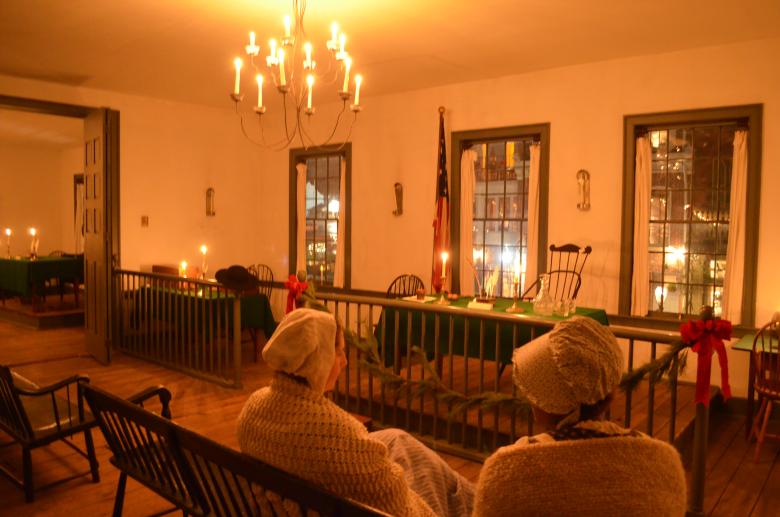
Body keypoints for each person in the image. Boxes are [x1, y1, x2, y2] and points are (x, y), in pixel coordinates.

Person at [237, 308, 474, 517]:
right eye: (338, 352)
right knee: (431, 476)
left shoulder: (254, 407)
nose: (344, 361)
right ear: (317, 361)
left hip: (306, 497)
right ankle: (481, 501)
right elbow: (398, 502)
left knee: (398, 439)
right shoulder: (332, 433)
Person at [473, 316, 687, 517]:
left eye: (534, 390)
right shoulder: (663, 463)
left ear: (548, 402)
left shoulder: (508, 471)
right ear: (609, 392)